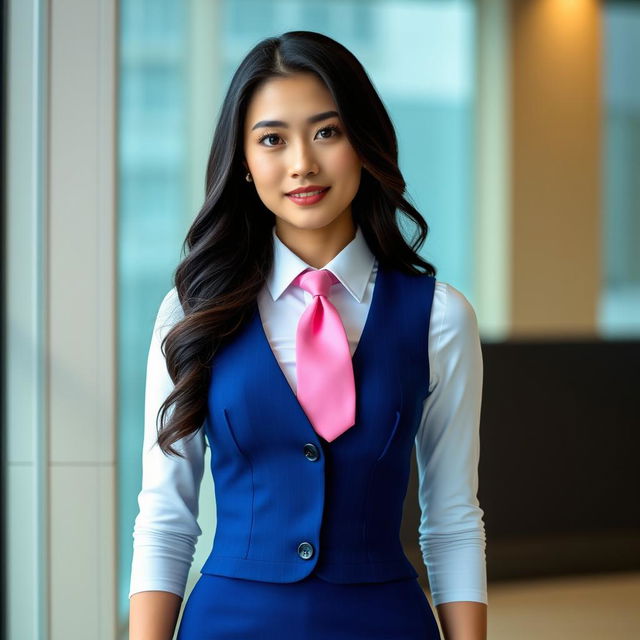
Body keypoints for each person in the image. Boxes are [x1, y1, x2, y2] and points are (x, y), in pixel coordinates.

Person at [128, 30, 488, 640]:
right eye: (273, 139)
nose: (303, 163)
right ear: (244, 161)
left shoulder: (441, 317)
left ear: (364, 143)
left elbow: (451, 517)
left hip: (384, 624)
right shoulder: (189, 314)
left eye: (328, 132)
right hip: (227, 625)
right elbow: (166, 514)